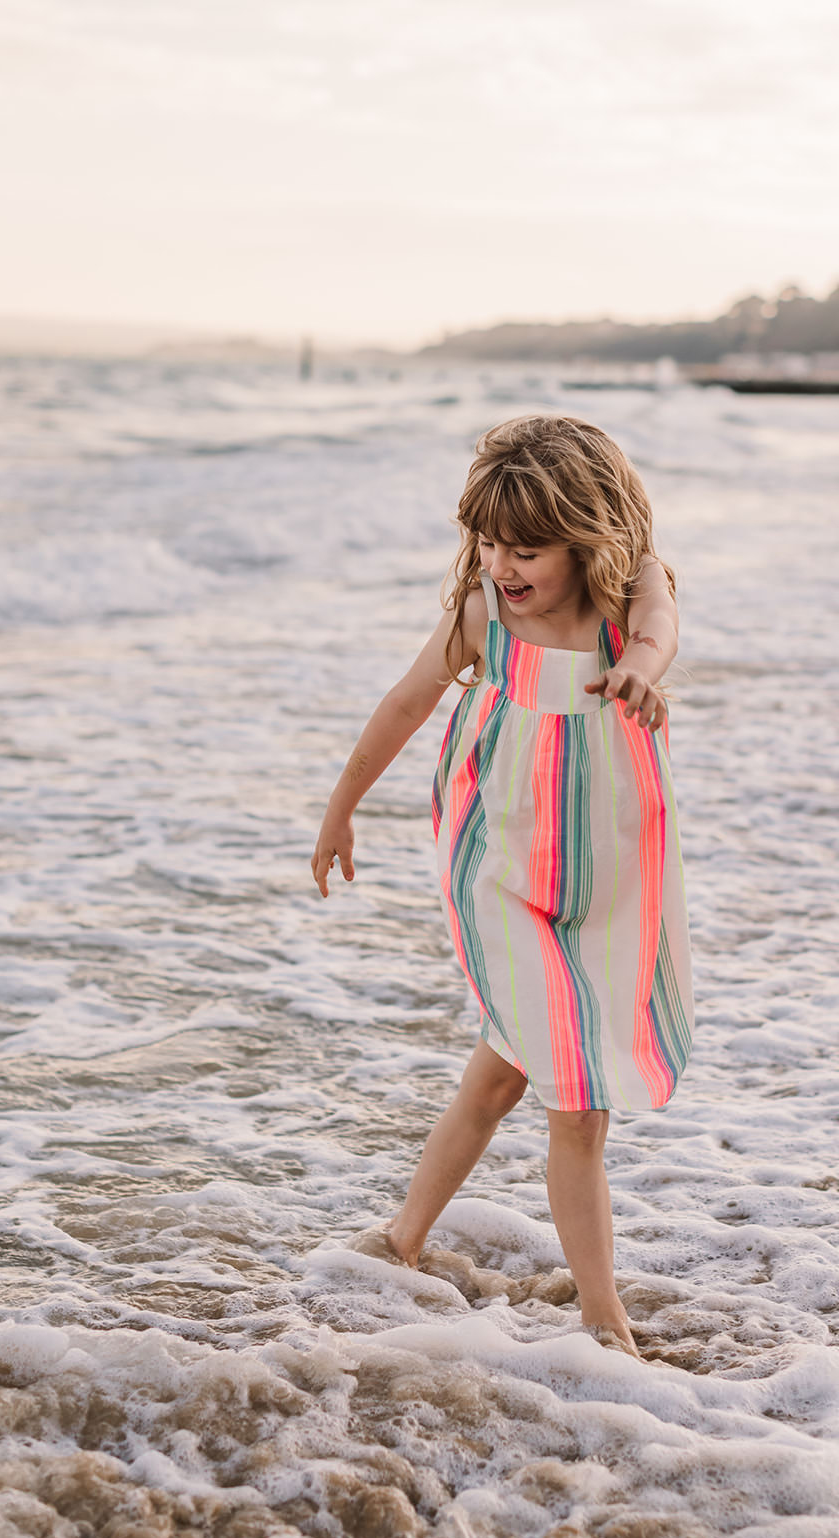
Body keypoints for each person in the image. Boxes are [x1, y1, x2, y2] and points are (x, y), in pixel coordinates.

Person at [312, 414, 694, 1354]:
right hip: (500, 865)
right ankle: (604, 1321)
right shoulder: (485, 615)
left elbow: (658, 633)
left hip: (608, 877)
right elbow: (407, 701)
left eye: (525, 550)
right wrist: (340, 808)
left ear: (587, 538)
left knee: (499, 1077)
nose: (500, 565)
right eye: (488, 543)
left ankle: (400, 1240)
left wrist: (639, 673)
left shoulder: (631, 595)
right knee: (579, 1100)